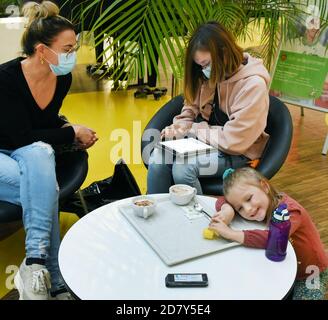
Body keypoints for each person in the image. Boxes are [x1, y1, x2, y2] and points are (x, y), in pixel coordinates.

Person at [0, 1, 98, 300]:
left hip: (29, 152)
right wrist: (69, 132)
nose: (73, 55)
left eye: (75, 47)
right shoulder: (5, 79)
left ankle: (34, 266)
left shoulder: (62, 77)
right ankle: (54, 278)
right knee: (46, 186)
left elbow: (39, 126)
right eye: (67, 48)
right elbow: (18, 137)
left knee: (41, 155)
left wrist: (69, 131)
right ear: (42, 50)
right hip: (5, 149)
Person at [147, 21, 270, 195]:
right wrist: (180, 126)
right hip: (205, 142)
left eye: (206, 64)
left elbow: (234, 141)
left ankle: (197, 219)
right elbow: (191, 107)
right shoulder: (210, 75)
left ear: (224, 53)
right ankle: (157, 216)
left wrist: (192, 129)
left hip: (238, 151)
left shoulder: (253, 85)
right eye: (200, 66)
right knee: (157, 158)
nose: (204, 70)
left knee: (183, 168)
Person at [209, 167, 328, 300]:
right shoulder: (261, 205)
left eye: (248, 199)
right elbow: (221, 200)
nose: (247, 209)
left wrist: (231, 233)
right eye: (240, 208)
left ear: (265, 186)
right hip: (283, 265)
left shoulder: (290, 211)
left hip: (311, 271)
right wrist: (228, 210)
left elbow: (272, 239)